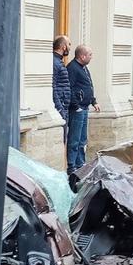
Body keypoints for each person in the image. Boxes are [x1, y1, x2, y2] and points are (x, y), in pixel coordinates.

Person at [65, 45, 98, 173]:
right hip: (77, 110)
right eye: (90, 54)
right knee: (74, 139)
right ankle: (72, 166)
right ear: (82, 56)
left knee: (82, 139)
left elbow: (88, 86)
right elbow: (69, 89)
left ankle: (80, 164)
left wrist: (93, 101)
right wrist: (76, 106)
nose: (91, 57)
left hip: (84, 108)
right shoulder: (72, 68)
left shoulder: (84, 68)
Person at [51, 36, 73, 170]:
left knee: (64, 140)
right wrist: (59, 108)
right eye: (69, 44)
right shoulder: (55, 62)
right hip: (61, 109)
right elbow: (52, 86)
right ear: (63, 46)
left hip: (64, 107)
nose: (70, 47)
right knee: (61, 141)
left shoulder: (59, 62)